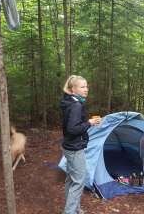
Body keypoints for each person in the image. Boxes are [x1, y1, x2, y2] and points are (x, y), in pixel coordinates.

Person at [60, 75, 101, 214]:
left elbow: (72, 125)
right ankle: (70, 211)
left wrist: (87, 122)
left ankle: (74, 209)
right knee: (78, 182)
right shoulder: (76, 105)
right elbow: (72, 129)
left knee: (71, 180)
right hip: (75, 147)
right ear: (73, 89)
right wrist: (89, 123)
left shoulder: (69, 101)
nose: (86, 89)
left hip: (68, 146)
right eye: (82, 87)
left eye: (86, 86)